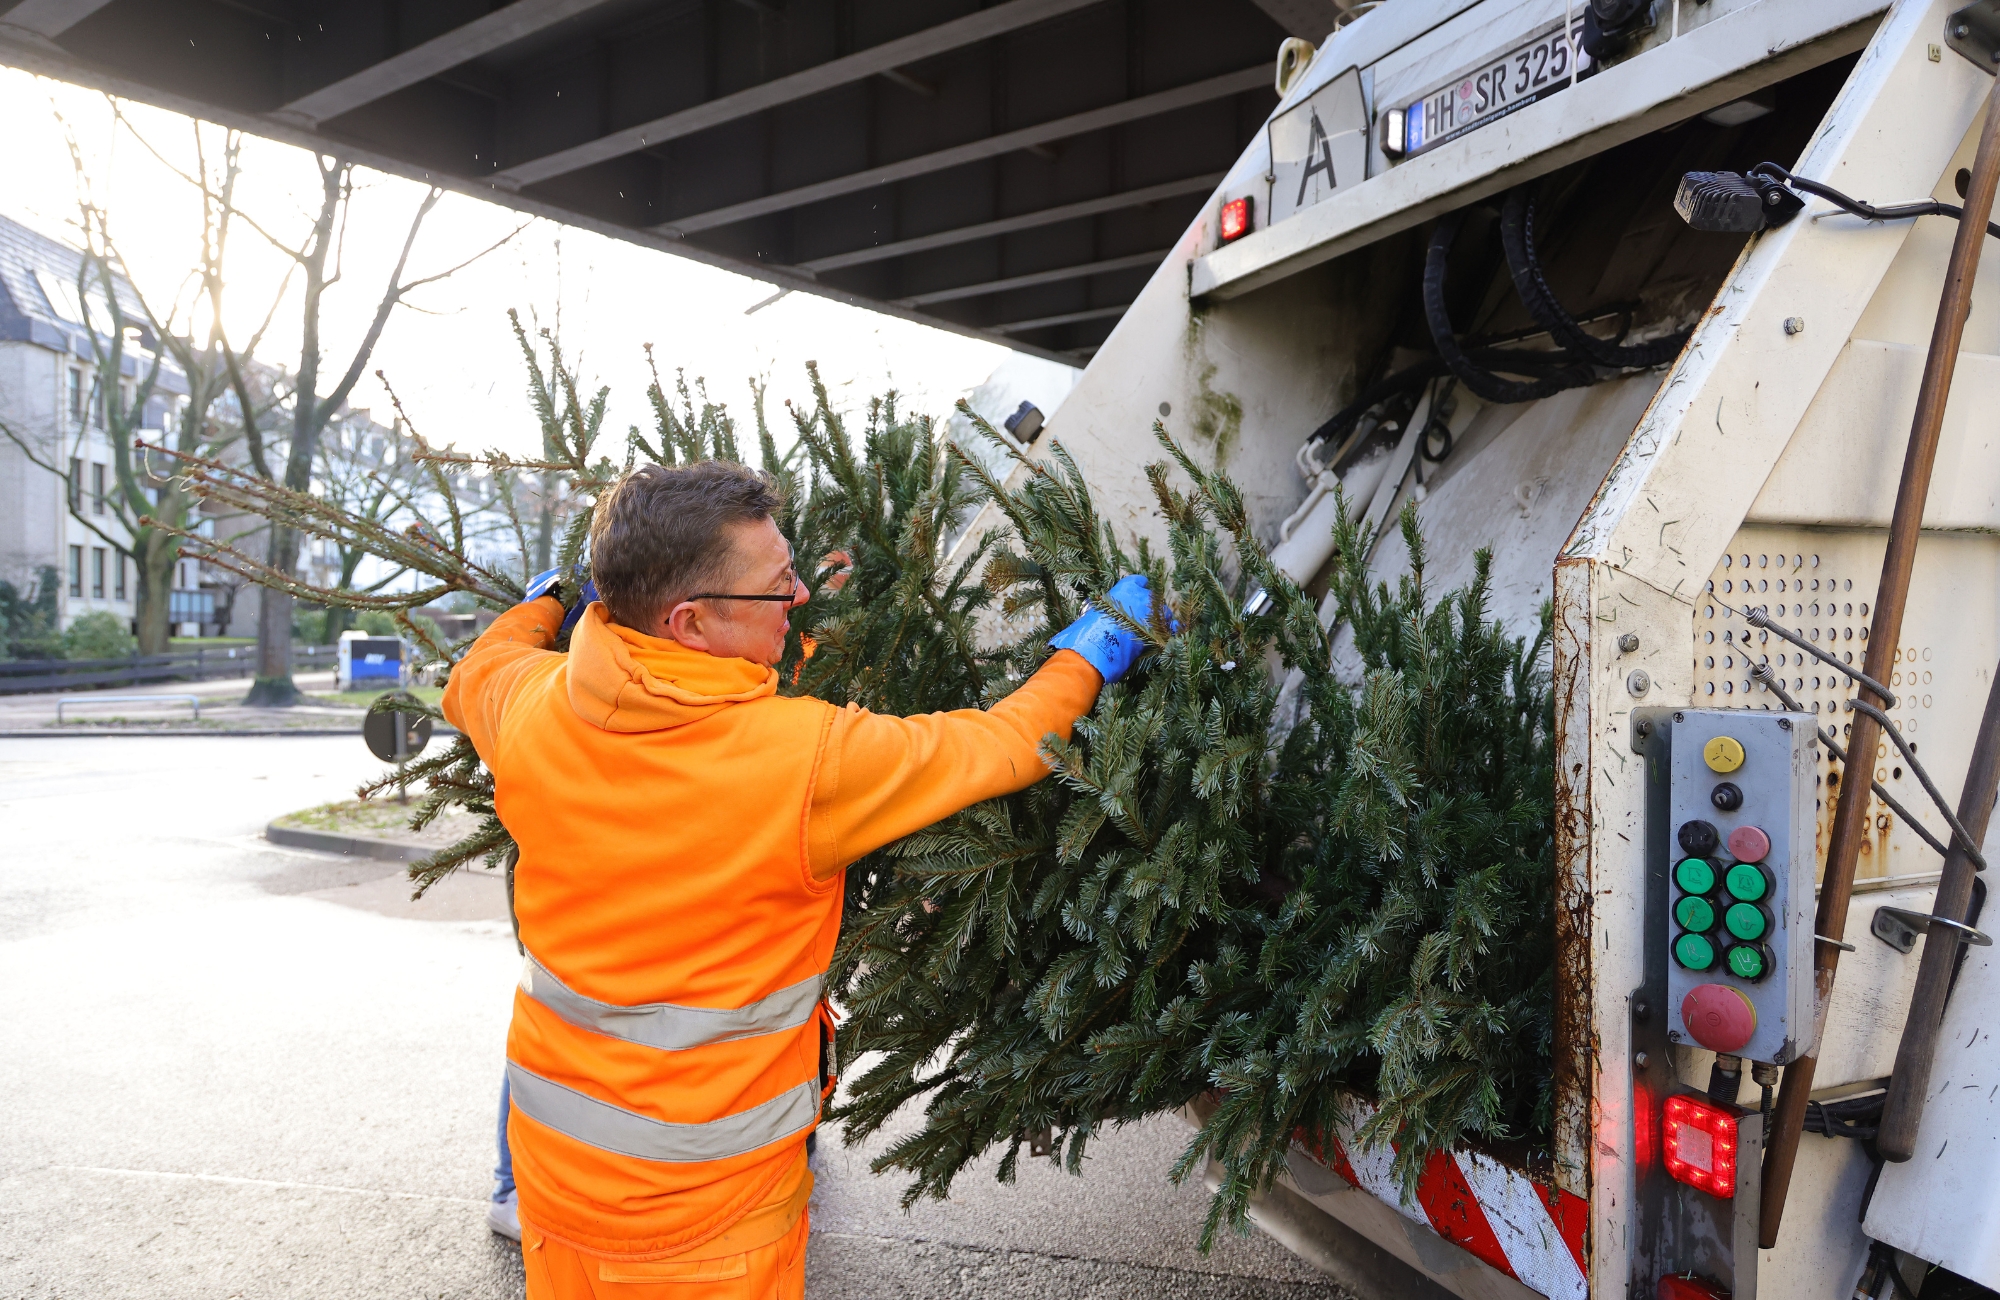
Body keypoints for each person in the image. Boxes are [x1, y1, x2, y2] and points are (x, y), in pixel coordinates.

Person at [442, 460, 1159, 1298]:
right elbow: (1000, 745)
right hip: (712, 1211)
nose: (801, 600)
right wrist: (1093, 650)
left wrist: (544, 605)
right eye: (778, 588)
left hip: (556, 1177)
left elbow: (478, 668)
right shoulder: (804, 762)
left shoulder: (532, 706)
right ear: (693, 622)